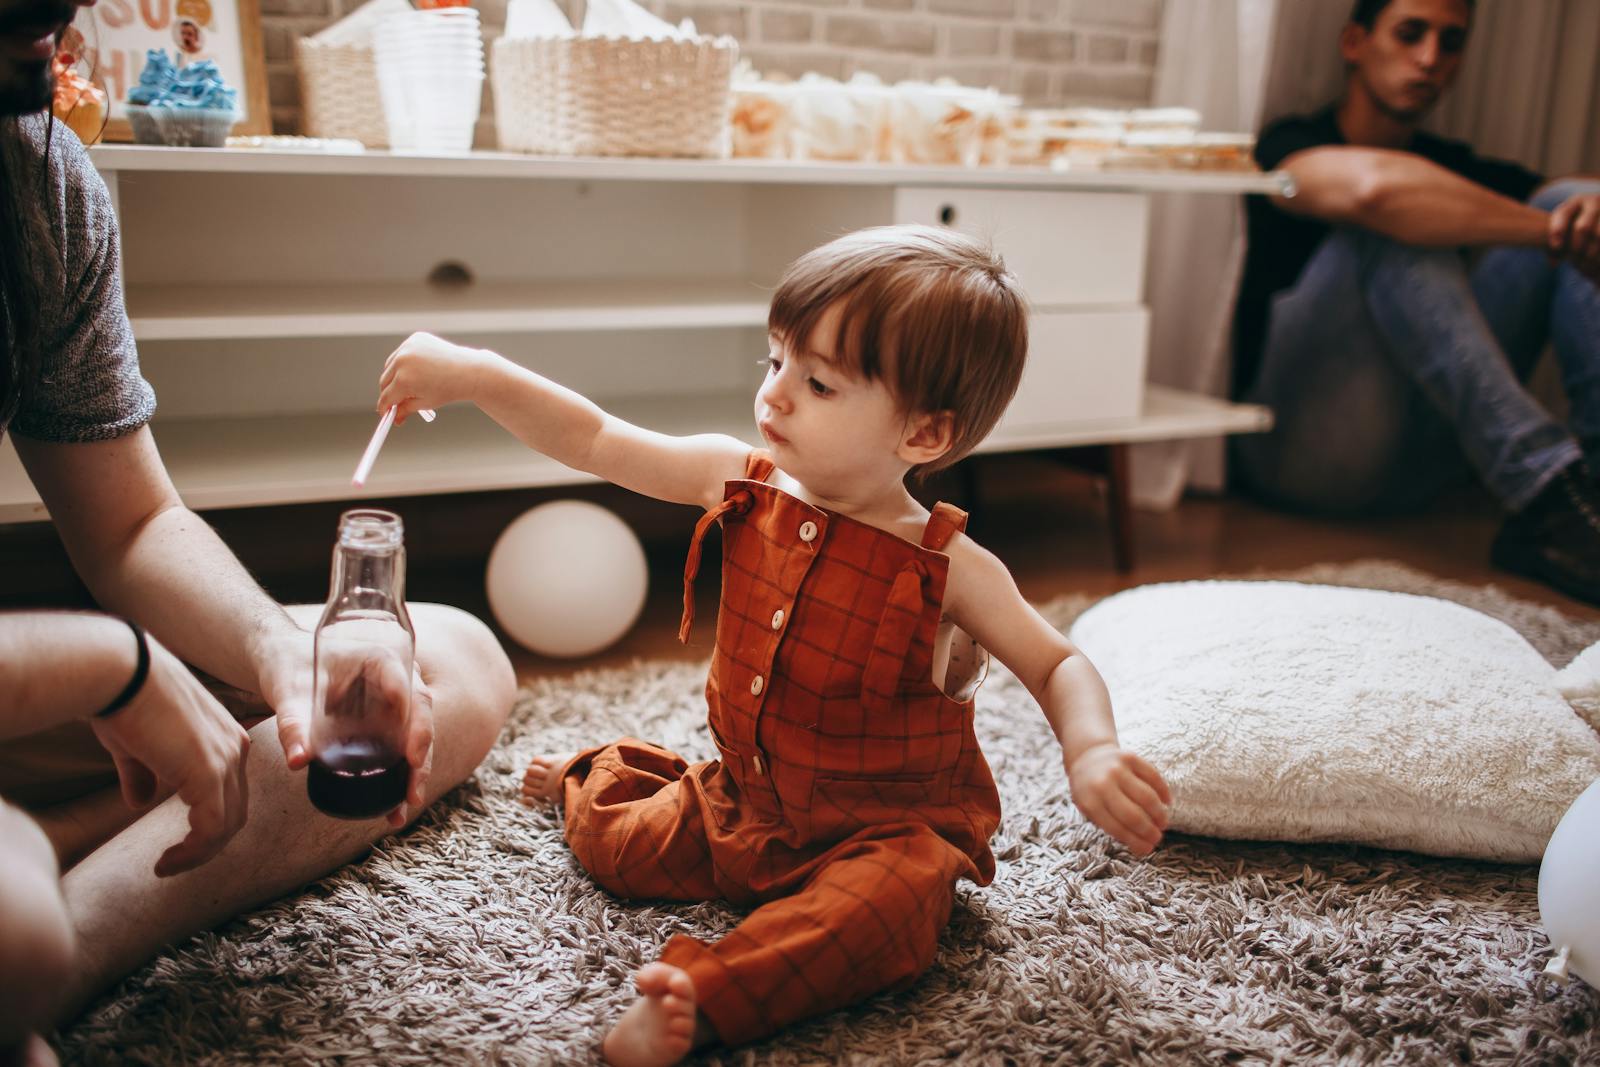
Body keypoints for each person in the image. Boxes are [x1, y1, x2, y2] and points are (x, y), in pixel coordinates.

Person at [375, 224, 1174, 1067]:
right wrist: (477, 374)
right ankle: (592, 771)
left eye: (818, 383)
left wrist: (1091, 750)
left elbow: (1057, 661)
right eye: (776, 360)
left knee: (893, 912)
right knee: (617, 846)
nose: (775, 396)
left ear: (924, 434)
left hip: (882, 832)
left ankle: (704, 998)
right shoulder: (738, 478)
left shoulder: (950, 565)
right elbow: (595, 437)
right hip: (743, 801)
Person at [0, 1, 515, 1061]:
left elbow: (133, 522)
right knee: (16, 940)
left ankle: (61, 926)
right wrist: (106, 666)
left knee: (442, 662)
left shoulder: (41, 183)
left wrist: (283, 652)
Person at [1231, 0, 1600, 605]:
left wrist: (1576, 221)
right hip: (1298, 458)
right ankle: (1549, 494)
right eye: (1410, 34)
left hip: (1420, 463)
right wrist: (1552, 233)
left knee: (1576, 202)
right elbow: (1374, 191)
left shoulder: (1450, 165)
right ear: (1354, 43)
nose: (1430, 58)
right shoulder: (1288, 144)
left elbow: (1575, 200)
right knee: (1394, 220)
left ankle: (1589, 504)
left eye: (1450, 43)